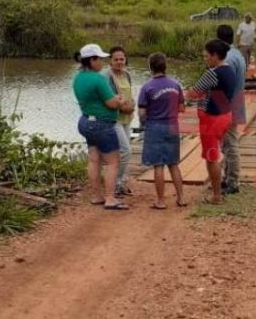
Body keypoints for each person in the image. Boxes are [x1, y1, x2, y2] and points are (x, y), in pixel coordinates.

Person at [73, 43, 130, 210]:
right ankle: (110, 198)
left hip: (85, 121)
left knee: (94, 159)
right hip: (102, 124)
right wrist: (120, 100)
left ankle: (96, 196)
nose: (102, 63)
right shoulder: (98, 78)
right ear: (91, 60)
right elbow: (112, 103)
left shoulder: (78, 77)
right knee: (113, 161)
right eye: (99, 59)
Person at [185, 39, 236, 205]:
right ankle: (219, 189)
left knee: (211, 156)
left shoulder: (212, 73)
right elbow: (220, 95)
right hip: (225, 114)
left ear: (215, 56)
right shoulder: (229, 70)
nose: (205, 59)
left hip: (211, 119)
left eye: (206, 56)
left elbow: (192, 93)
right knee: (217, 152)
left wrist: (189, 93)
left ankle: (216, 196)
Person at [138, 53, 186, 209]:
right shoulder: (176, 84)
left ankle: (161, 201)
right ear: (165, 66)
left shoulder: (147, 87)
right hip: (172, 126)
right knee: (173, 164)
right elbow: (181, 108)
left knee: (158, 165)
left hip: (155, 127)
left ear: (150, 67)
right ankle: (181, 198)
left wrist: (144, 123)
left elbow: (142, 112)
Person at [216, 25, 246, 195]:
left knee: (230, 144)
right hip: (237, 102)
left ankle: (233, 181)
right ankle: (228, 178)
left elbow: (224, 87)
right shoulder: (238, 54)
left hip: (228, 106)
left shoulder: (227, 58)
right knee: (228, 143)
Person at [102, 46, 135, 197]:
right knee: (126, 150)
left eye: (122, 59)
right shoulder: (107, 76)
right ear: (110, 61)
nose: (119, 62)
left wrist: (132, 106)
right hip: (113, 118)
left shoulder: (127, 75)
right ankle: (115, 183)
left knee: (122, 152)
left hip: (127, 118)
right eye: (116, 59)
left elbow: (129, 94)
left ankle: (119, 182)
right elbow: (108, 99)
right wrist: (124, 108)